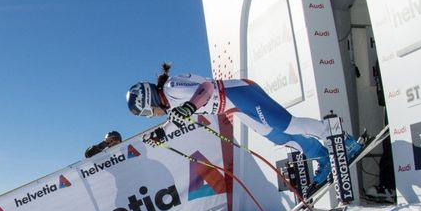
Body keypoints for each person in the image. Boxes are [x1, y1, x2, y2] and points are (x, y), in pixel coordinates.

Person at [127, 63, 362, 189]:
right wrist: (161, 132)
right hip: (234, 108)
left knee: (289, 125)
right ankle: (322, 156)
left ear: (150, 99)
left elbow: (207, 89)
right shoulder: (170, 105)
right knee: (278, 137)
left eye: (147, 111)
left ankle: (343, 140)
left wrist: (189, 108)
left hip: (241, 94)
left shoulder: (172, 87)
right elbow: (175, 117)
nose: (151, 115)